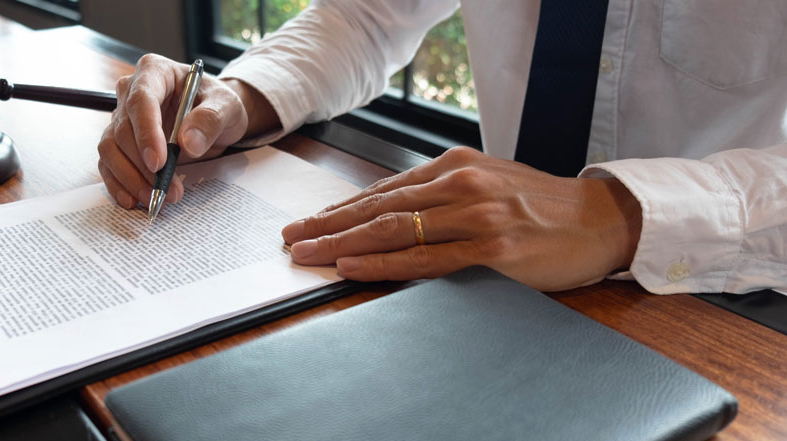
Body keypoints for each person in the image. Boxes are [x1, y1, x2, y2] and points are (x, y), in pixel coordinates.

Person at [97, 0, 787, 294]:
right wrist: (237, 100)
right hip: (481, 276)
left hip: (721, 295)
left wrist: (616, 214)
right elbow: (367, 17)